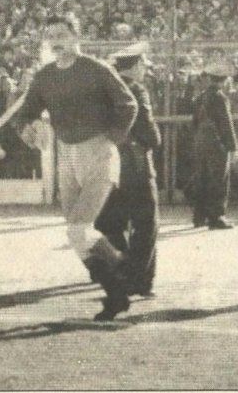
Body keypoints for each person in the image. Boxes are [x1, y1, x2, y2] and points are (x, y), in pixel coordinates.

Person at [14, 14, 139, 321]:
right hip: (66, 156)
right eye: (50, 35)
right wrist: (27, 130)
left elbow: (128, 105)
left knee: (80, 228)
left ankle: (121, 275)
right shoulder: (44, 76)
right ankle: (118, 288)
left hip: (98, 152)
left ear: (76, 36)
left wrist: (109, 140)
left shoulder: (96, 69)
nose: (56, 40)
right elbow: (25, 113)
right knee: (75, 233)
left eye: (61, 34)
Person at [95, 43, 162, 297]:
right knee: (146, 224)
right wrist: (154, 140)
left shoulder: (103, 91)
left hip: (109, 164)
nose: (145, 70)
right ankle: (139, 279)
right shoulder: (136, 89)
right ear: (134, 67)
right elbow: (149, 131)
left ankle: (119, 269)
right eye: (143, 65)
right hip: (136, 166)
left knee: (110, 222)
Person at [189, 60, 238, 229]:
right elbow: (226, 123)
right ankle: (217, 216)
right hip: (217, 143)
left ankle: (199, 216)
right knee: (219, 179)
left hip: (200, 141)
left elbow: (194, 122)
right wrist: (232, 147)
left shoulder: (200, 98)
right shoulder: (220, 98)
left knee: (201, 177)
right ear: (223, 80)